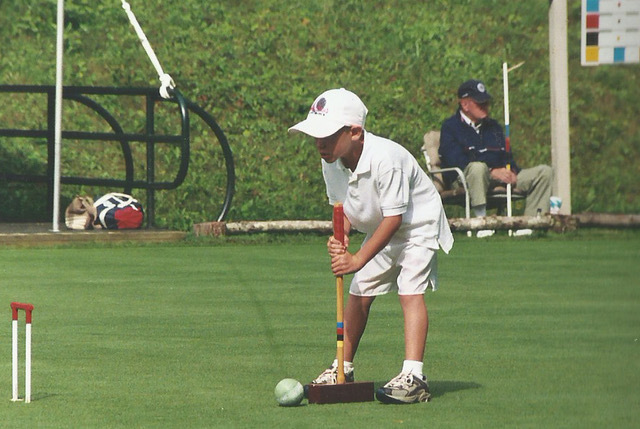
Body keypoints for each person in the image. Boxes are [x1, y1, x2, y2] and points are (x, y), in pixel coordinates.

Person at [288, 88, 453, 404]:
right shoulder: (332, 160)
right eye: (315, 136)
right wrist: (341, 234)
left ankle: (415, 376)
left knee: (410, 289)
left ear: (355, 132)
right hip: (382, 225)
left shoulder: (385, 159)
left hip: (417, 225)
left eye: (327, 135)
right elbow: (343, 208)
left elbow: (395, 218)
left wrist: (357, 258)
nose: (319, 143)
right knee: (359, 292)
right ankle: (342, 368)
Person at [439, 79, 553, 237]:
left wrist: (511, 171)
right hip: (467, 177)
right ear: (465, 105)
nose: (486, 107)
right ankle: (481, 222)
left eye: (486, 102)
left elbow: (507, 155)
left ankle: (531, 224)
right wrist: (492, 171)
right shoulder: (450, 127)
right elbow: (455, 159)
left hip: (500, 175)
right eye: (481, 103)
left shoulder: (494, 127)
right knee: (478, 167)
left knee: (544, 172)